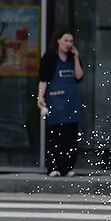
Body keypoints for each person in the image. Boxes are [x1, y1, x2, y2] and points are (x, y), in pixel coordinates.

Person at [37, 29, 84, 177]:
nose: (68, 44)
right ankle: (54, 167)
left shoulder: (72, 58)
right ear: (58, 40)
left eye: (71, 41)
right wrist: (40, 97)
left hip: (72, 103)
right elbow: (43, 78)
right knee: (57, 135)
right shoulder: (50, 57)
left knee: (71, 137)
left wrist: (76, 58)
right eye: (66, 40)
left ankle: (68, 166)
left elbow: (79, 76)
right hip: (56, 101)